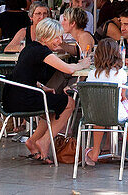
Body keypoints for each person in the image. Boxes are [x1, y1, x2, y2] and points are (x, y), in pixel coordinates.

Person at [5, 18, 90, 163]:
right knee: (69, 103)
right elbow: (68, 69)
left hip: (12, 97)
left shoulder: (30, 48)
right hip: (24, 99)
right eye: (56, 37)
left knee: (54, 105)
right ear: (44, 38)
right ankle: (44, 141)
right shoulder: (41, 51)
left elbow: (24, 74)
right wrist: (83, 64)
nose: (59, 41)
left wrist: (43, 88)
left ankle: (32, 141)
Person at [83, 38, 128, 167]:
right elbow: (122, 97)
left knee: (99, 117)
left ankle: (94, 152)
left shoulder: (91, 73)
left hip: (94, 114)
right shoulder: (120, 73)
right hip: (116, 113)